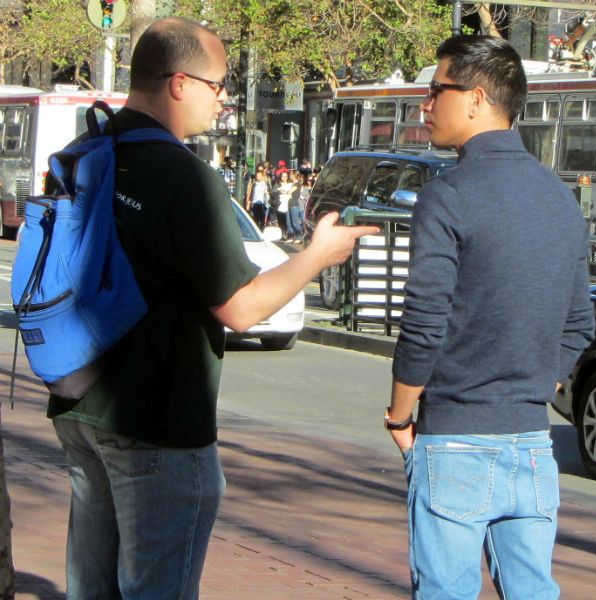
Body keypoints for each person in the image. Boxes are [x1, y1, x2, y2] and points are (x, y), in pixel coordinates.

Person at [48, 17, 379, 600]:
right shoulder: (185, 176)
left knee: (91, 589)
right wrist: (315, 256)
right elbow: (241, 308)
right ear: (179, 83)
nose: (223, 100)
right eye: (218, 85)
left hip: (78, 399)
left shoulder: (84, 152)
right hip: (159, 420)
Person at [385, 35, 595, 600]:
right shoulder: (560, 201)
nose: (424, 105)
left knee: (445, 591)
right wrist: (537, 384)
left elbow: (425, 319)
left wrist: (401, 414)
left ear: (476, 98)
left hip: (454, 435)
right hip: (531, 440)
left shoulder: (448, 196)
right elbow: (579, 323)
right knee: (532, 589)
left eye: (436, 90)